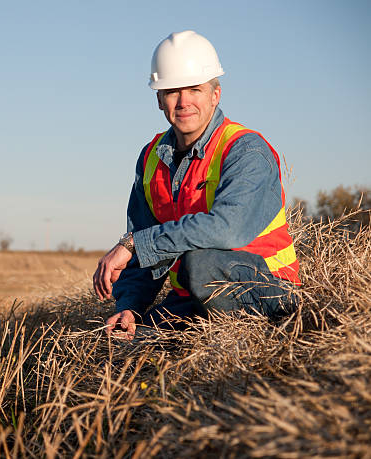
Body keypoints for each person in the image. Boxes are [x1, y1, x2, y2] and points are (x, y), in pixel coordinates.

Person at [93, 31, 300, 339]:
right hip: (192, 297)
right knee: (125, 342)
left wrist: (133, 243)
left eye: (195, 89)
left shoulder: (246, 150)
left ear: (215, 95)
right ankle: (180, 332)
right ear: (159, 100)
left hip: (267, 292)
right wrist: (131, 306)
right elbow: (147, 248)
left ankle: (253, 338)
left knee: (201, 262)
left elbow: (226, 229)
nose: (184, 101)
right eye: (173, 91)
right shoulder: (151, 158)